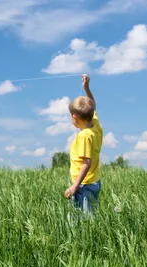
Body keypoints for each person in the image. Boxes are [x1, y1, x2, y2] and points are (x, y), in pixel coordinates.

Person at [64, 74, 103, 214]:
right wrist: (87, 88)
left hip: (84, 185)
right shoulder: (95, 126)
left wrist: (75, 186)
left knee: (84, 220)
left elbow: (86, 162)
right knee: (86, 216)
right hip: (93, 182)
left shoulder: (84, 136)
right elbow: (93, 105)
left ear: (74, 117)